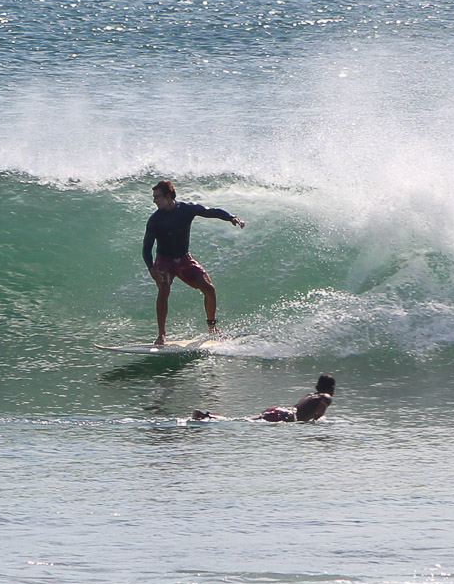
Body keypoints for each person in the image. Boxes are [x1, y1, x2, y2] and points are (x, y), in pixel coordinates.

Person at [143, 179, 244, 344]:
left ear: (168, 196)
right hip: (164, 261)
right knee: (164, 288)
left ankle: (212, 328)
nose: (154, 200)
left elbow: (212, 211)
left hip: (184, 259)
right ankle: (161, 334)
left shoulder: (186, 209)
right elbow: (147, 248)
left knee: (209, 289)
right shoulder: (155, 220)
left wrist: (231, 218)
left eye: (157, 196)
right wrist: (151, 268)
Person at [192, 374, 335, 423]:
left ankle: (207, 416)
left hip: (280, 410)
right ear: (332, 388)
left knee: (245, 419)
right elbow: (319, 412)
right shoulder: (326, 396)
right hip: (285, 416)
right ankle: (207, 416)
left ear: (317, 387)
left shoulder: (310, 395)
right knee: (244, 421)